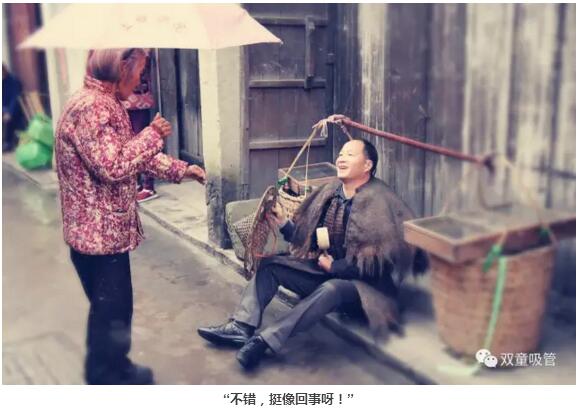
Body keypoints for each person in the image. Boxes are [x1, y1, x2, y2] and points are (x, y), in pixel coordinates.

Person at [198, 138, 428, 370]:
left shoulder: (380, 201)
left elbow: (380, 265)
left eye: (350, 154)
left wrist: (335, 267)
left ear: (367, 165)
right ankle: (241, 326)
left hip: (365, 290)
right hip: (327, 272)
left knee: (332, 288)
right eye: (341, 154)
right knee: (271, 266)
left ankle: (265, 341)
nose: (341, 158)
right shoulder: (330, 192)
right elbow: (311, 238)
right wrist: (284, 223)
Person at [54, 48, 206, 384]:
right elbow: (113, 166)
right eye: (139, 71)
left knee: (110, 312)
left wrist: (182, 169)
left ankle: (110, 371)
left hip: (98, 234)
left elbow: (133, 157)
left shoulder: (103, 103)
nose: (140, 81)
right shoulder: (93, 108)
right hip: (99, 237)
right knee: (113, 313)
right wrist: (153, 134)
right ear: (122, 68)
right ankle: (109, 378)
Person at [121, 51, 159, 203]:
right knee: (128, 141)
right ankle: (136, 182)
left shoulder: (140, 50)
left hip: (137, 101)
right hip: (125, 101)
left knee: (142, 141)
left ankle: (148, 186)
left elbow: (140, 72)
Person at [2, 64, 24, 152]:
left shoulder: (13, 81)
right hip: (5, 108)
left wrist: (9, 112)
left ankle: (8, 143)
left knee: (9, 120)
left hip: (15, 109)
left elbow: (15, 99)